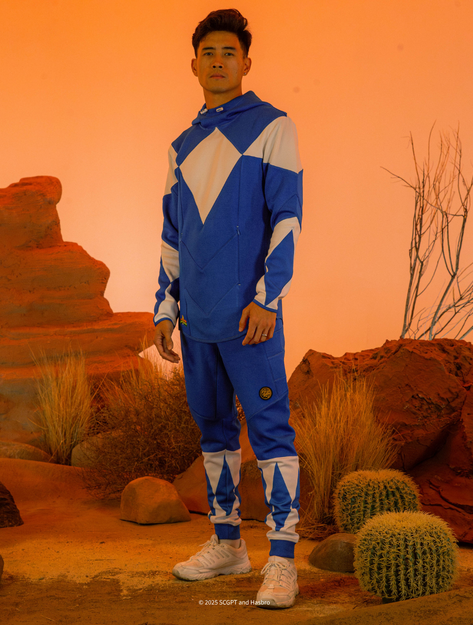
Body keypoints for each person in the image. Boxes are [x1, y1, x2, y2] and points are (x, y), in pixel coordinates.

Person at [153, 8, 303, 609]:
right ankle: (228, 546)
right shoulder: (181, 144)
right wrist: (165, 309)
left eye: (229, 53)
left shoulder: (273, 126)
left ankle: (283, 559)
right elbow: (172, 235)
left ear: (246, 63)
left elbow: (287, 217)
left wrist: (269, 298)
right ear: (193, 65)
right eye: (208, 53)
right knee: (213, 432)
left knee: (269, 431)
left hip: (249, 318)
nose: (218, 61)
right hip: (196, 320)